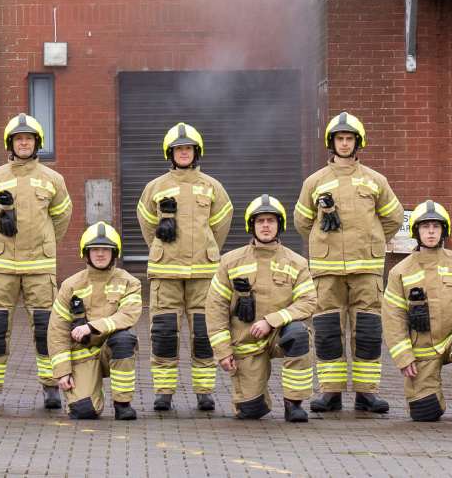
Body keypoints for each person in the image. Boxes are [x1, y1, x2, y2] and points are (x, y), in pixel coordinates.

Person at [293, 112, 403, 414]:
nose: (344, 143)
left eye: (349, 138)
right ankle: (330, 394)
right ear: (332, 143)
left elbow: (393, 217)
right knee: (328, 329)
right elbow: (302, 221)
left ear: (358, 143)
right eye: (340, 139)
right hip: (326, 271)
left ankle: (367, 394)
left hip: (366, 268)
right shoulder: (315, 182)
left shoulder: (375, 180)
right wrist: (323, 243)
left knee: (367, 330)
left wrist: (373, 239)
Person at [0, 113, 73, 410]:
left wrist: (43, 242)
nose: (24, 142)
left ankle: (51, 387)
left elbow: (61, 218)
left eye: (28, 138)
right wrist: (1, 242)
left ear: (37, 143)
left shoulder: (53, 180)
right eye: (18, 138)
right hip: (1, 267)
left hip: (40, 268)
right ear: (10, 144)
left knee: (46, 328)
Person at [137, 122, 232, 411]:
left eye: (188, 148)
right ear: (170, 153)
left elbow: (220, 226)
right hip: (166, 273)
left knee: (204, 334)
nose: (183, 153)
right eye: (178, 149)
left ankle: (205, 392)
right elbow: (147, 225)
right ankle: (164, 393)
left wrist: (206, 249)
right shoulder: (155, 187)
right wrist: (163, 249)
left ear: (196, 152)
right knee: (164, 333)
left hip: (204, 273)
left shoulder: (213, 187)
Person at [381, 201, 452, 424]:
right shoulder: (400, 272)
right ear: (416, 231)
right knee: (425, 415)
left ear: (444, 230)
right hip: (421, 348)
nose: (431, 231)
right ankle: (431, 399)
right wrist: (403, 357)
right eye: (425, 226)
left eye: (436, 226)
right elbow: (392, 318)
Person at [207, 195, 318, 422]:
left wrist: (272, 321)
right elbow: (215, 308)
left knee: (299, 334)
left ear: (279, 225)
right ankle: (256, 399)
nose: (266, 225)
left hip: (279, 334)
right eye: (260, 221)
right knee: (250, 411)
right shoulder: (230, 262)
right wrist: (223, 351)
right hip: (246, 340)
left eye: (271, 220)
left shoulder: (297, 262)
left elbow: (308, 301)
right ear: (251, 226)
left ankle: (293, 403)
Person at [48, 222, 142, 420]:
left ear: (114, 252)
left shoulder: (129, 282)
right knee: (83, 412)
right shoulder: (71, 285)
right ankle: (92, 389)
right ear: (86, 253)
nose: (100, 254)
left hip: (111, 350)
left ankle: (122, 404)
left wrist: (92, 327)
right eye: (95, 249)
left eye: (106, 249)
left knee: (125, 339)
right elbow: (57, 331)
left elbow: (128, 314)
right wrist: (62, 372)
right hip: (82, 355)